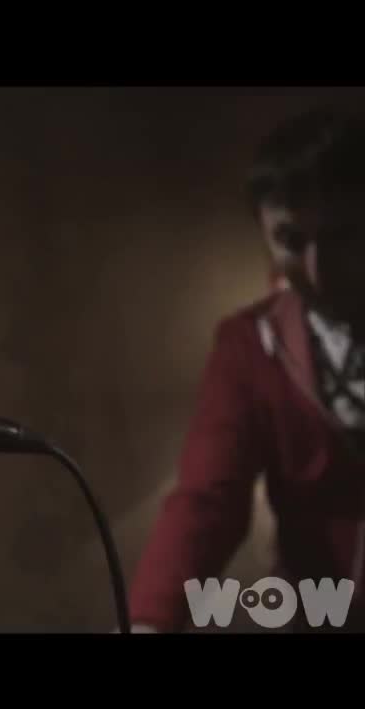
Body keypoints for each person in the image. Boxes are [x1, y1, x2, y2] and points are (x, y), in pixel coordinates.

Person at [128, 104, 364, 633]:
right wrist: (149, 622)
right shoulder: (248, 345)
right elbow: (207, 500)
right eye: (291, 241)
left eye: (343, 236)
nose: (318, 271)